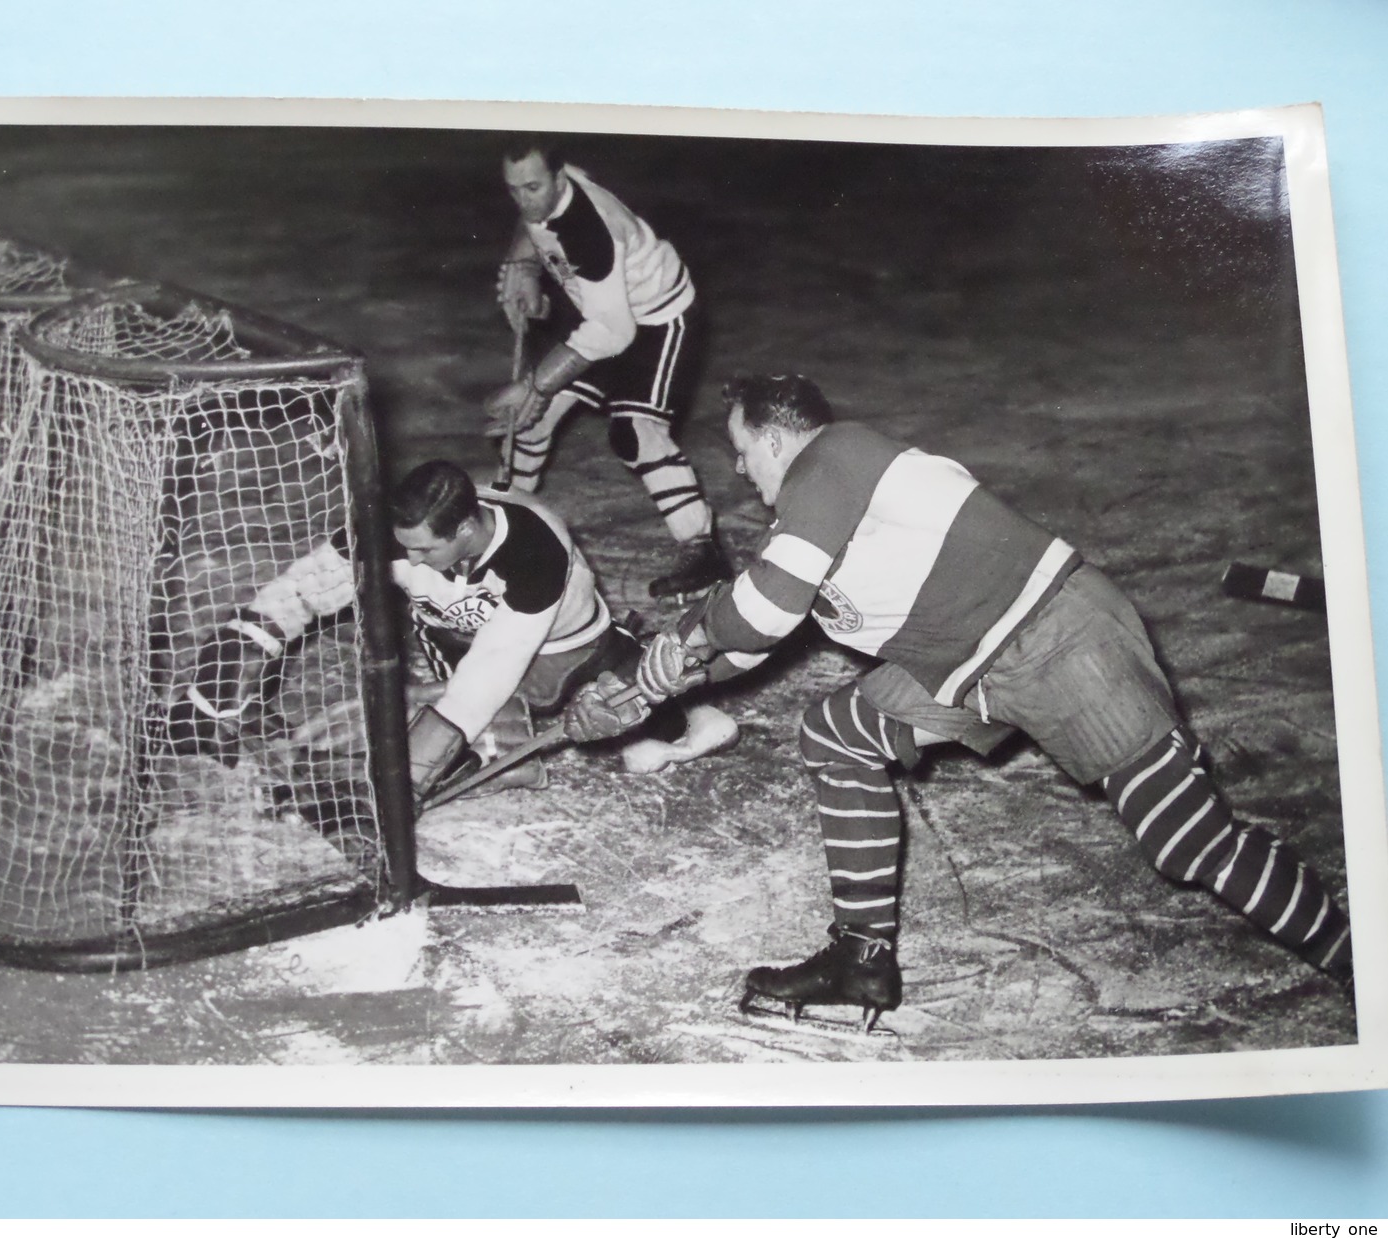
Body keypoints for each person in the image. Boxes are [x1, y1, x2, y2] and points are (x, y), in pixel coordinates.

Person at [615, 373, 1352, 1028]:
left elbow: (757, 614)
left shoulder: (832, 459)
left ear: (776, 438)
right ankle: (860, 960)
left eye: (741, 449)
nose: (738, 467)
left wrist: (680, 647)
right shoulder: (823, 509)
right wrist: (655, 679)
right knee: (837, 735)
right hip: (967, 661)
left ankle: (1356, 961)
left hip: (1058, 636)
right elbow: (753, 635)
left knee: (1188, 844)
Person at [166, 460, 737, 802]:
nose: (407, 559)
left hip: (563, 644)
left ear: (466, 529)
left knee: (622, 721)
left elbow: (495, 666)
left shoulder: (534, 549)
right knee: (490, 750)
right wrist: (223, 677)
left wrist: (409, 772)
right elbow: (296, 593)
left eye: (423, 550)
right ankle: (491, 743)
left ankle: (679, 709)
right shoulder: (398, 532)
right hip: (456, 638)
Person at [485, 137, 732, 601]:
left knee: (635, 432)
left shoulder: (587, 229)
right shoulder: (554, 186)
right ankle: (512, 525)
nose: (522, 199)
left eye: (532, 187)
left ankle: (703, 552)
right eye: (513, 189)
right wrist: (524, 265)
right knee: (533, 422)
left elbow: (613, 332)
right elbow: (532, 217)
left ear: (559, 179)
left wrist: (536, 383)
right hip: (605, 313)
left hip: (659, 318)